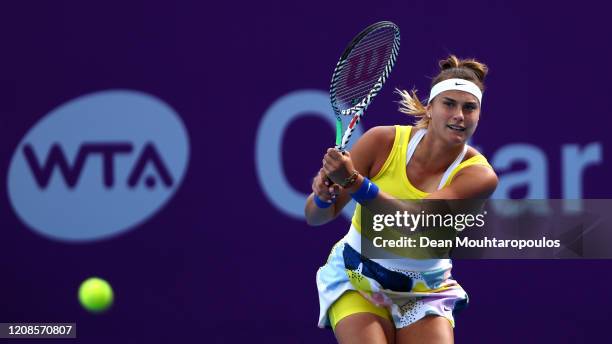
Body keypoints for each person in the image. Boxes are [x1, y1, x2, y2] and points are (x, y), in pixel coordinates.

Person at [305, 55, 499, 344]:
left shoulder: (480, 176)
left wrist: (355, 182)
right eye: (449, 104)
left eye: (469, 107)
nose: (459, 114)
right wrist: (322, 197)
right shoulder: (381, 142)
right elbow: (315, 216)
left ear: (478, 115)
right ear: (430, 108)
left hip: (425, 290)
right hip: (358, 277)